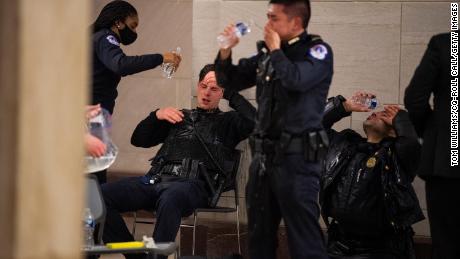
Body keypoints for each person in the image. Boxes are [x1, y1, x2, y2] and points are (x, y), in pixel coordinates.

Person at [214, 0, 333, 258]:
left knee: (304, 242)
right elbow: (228, 80)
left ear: (296, 22)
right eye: (267, 17)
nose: (267, 24)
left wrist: (277, 51)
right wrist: (225, 51)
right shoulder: (268, 55)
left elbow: (296, 81)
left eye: (273, 18)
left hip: (297, 161)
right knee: (259, 239)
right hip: (264, 159)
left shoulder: (317, 51)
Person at [100, 64, 255, 259]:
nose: (206, 92)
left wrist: (232, 94)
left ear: (222, 92)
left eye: (214, 88)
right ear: (198, 86)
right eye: (203, 86)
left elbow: (255, 121)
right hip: (156, 180)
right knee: (98, 197)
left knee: (171, 197)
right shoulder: (179, 117)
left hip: (192, 186)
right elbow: (138, 140)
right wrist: (156, 115)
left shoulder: (229, 122)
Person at [320, 92, 425, 259]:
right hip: (338, 245)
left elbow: (412, 145)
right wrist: (343, 106)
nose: (375, 112)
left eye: (384, 115)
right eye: (375, 112)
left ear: (394, 131)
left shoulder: (397, 156)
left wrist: (402, 120)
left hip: (383, 250)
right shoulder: (342, 145)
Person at [91, 0, 181, 183]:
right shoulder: (105, 37)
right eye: (132, 26)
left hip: (93, 114)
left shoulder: (98, 38)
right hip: (91, 116)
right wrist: (161, 57)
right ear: (118, 22)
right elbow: (121, 64)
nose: (134, 32)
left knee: (94, 173)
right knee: (95, 176)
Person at [404, 32, 460, 259]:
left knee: (447, 243)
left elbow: (415, 99)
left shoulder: (446, 44)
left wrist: (433, 135)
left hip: (447, 163)